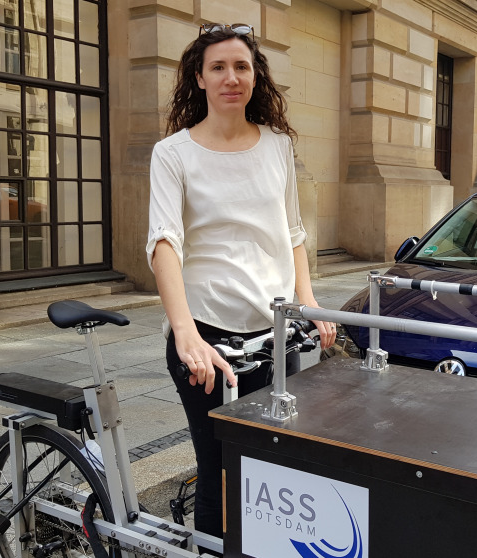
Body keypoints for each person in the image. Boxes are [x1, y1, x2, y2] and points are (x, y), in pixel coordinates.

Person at [145, 23, 337, 552]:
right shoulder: (173, 154)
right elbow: (164, 244)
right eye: (218, 67)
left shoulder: (277, 146)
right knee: (221, 470)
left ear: (255, 78)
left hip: (275, 333)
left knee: (277, 468)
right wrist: (184, 334)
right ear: (200, 79)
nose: (232, 77)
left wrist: (310, 302)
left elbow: (293, 232)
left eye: (242, 67)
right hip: (208, 337)